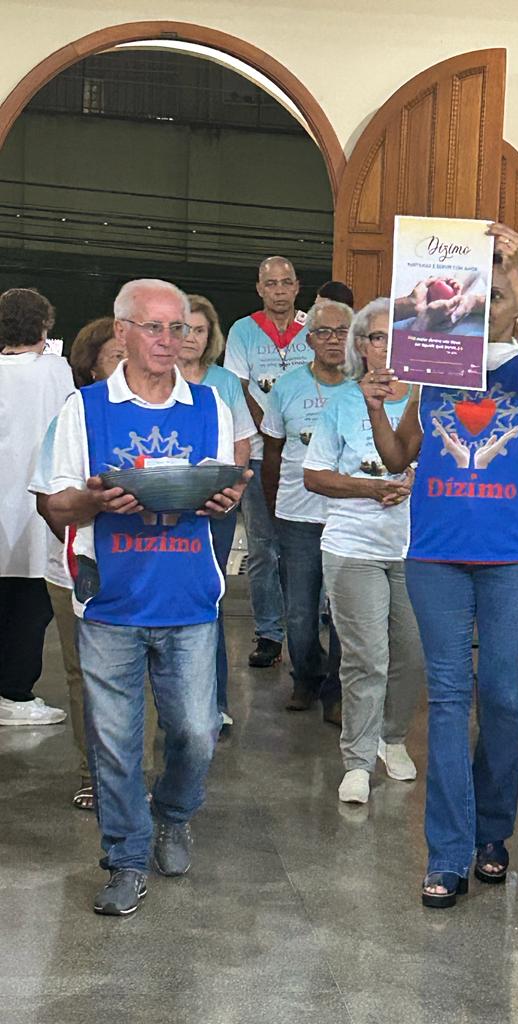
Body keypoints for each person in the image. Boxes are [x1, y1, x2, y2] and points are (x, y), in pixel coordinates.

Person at [361, 225, 518, 907]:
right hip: (437, 557)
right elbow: (397, 457)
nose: (488, 304)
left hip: (514, 559)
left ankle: (492, 834)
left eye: (497, 297)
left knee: (503, 698)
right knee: (447, 702)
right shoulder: (434, 373)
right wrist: (373, 405)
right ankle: (446, 853)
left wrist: (514, 267)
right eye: (484, 294)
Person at [47, 278, 251, 917]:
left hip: (190, 596)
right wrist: (97, 500)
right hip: (109, 600)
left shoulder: (210, 408)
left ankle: (175, 813)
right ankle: (125, 857)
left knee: (194, 731)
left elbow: (223, 489)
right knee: (113, 742)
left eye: (181, 328)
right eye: (156, 328)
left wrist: (225, 498)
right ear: (123, 333)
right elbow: (54, 504)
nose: (171, 341)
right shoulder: (85, 409)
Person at [30, 316, 158, 811]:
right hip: (76, 571)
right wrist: (90, 514)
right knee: (84, 677)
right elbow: (48, 502)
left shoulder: (160, 414)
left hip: (147, 567)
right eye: (116, 358)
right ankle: (93, 774)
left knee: (139, 676)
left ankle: (133, 777)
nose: (131, 366)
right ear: (89, 365)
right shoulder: (72, 414)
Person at [304, 298, 422, 804]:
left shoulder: (426, 398)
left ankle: (391, 739)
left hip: (416, 549)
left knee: (412, 656)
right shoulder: (343, 403)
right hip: (353, 546)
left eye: (395, 337)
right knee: (366, 658)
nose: (386, 346)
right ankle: (355, 760)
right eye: (376, 337)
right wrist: (370, 488)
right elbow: (314, 475)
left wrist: (417, 478)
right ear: (361, 347)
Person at [261, 300, 354, 727]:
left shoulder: (364, 389)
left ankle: (335, 690)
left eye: (343, 332)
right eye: (325, 332)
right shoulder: (287, 386)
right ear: (310, 339)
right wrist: (271, 506)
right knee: (298, 612)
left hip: (350, 516)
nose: (334, 340)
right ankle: (306, 676)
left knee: (342, 612)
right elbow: (273, 452)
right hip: (297, 514)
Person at [224, 256, 311, 669]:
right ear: (259, 288)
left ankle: (305, 634)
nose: (279, 291)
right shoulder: (243, 330)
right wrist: (271, 427)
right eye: (271, 284)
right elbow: (238, 385)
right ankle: (269, 635)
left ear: (297, 288)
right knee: (262, 549)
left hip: (306, 458)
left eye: (286, 283)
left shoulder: (314, 329)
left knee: (303, 549)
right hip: (261, 454)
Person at [178, 294, 256, 725]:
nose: (190, 337)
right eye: (183, 327)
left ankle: (215, 703)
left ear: (212, 337)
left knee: (211, 597)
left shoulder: (225, 382)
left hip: (214, 508)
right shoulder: (155, 375)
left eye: (200, 330)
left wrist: (231, 491)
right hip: (160, 507)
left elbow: (242, 442)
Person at [0, 287, 72, 727]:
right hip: (34, 507)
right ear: (44, 325)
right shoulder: (55, 371)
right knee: (29, 603)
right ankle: (14, 693)